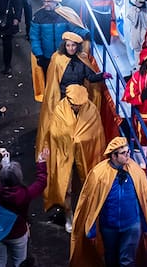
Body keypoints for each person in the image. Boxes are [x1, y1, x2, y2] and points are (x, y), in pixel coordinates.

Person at [70, 137, 147, 267]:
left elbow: (144, 199)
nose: (128, 155)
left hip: (131, 225)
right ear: (114, 156)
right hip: (109, 227)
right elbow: (91, 203)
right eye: (123, 153)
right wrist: (91, 229)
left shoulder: (135, 170)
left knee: (127, 261)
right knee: (110, 259)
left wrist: (146, 224)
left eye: (128, 151)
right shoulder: (99, 173)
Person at [46, 84, 106, 231]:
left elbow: (96, 133)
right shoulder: (60, 110)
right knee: (66, 188)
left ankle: (87, 213)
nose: (77, 107)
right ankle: (68, 215)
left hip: (85, 155)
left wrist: (80, 139)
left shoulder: (91, 110)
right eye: (74, 104)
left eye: (80, 105)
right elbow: (54, 132)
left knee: (85, 185)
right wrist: (70, 138)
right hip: (65, 155)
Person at [37, 31, 108, 151]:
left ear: (77, 46)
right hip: (64, 99)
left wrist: (102, 76)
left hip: (80, 100)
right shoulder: (57, 59)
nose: (71, 48)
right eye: (68, 45)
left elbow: (89, 77)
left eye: (73, 45)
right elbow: (53, 82)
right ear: (64, 46)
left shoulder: (82, 58)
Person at [0, 148, 49, 267]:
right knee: (20, 261)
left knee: (0, 261)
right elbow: (41, 182)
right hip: (18, 233)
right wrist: (41, 163)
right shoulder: (25, 194)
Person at [28, 0, 87, 100]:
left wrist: (85, 34)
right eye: (44, 1)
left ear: (56, 1)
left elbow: (74, 28)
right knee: (49, 81)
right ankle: (52, 102)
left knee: (64, 79)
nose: (46, 4)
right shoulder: (38, 16)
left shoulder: (65, 14)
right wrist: (39, 55)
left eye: (49, 1)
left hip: (63, 55)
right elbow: (34, 37)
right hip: (46, 57)